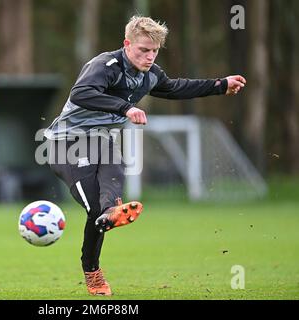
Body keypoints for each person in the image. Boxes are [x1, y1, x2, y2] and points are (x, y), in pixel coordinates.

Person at [44, 16, 246, 296]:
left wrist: (220, 85)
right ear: (127, 44)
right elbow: (81, 93)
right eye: (143, 50)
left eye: (154, 51)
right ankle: (92, 271)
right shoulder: (105, 65)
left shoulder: (150, 74)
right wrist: (124, 108)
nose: (149, 56)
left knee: (109, 200)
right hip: (66, 144)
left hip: (101, 140)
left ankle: (112, 211)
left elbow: (175, 88)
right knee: (94, 208)